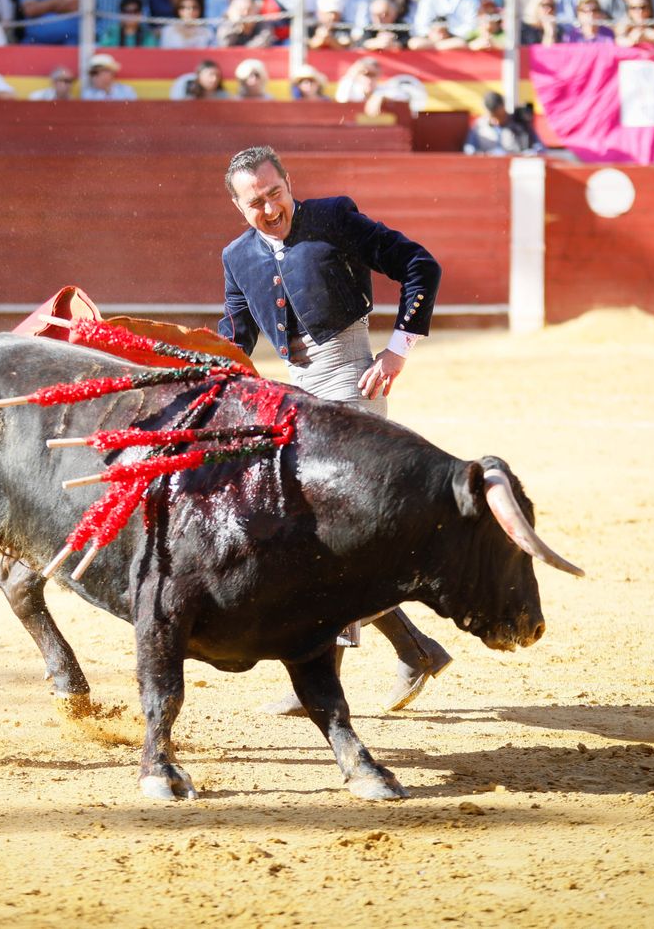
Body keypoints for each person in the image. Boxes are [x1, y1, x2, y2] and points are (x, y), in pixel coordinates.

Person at [216, 144, 452, 715]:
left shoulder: (335, 218)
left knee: (330, 530)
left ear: (288, 183)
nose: (270, 208)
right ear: (237, 206)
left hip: (352, 378)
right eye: (255, 202)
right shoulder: (237, 256)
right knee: (315, 535)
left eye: (275, 193)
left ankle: (334, 680)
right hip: (297, 391)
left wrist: (398, 349)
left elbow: (420, 264)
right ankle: (415, 649)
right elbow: (236, 336)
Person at [464, 91, 540, 153]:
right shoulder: (479, 126)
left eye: (498, 116)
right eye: (492, 117)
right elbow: (469, 148)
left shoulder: (520, 123)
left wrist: (530, 153)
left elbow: (538, 147)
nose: (496, 121)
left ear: (503, 107)